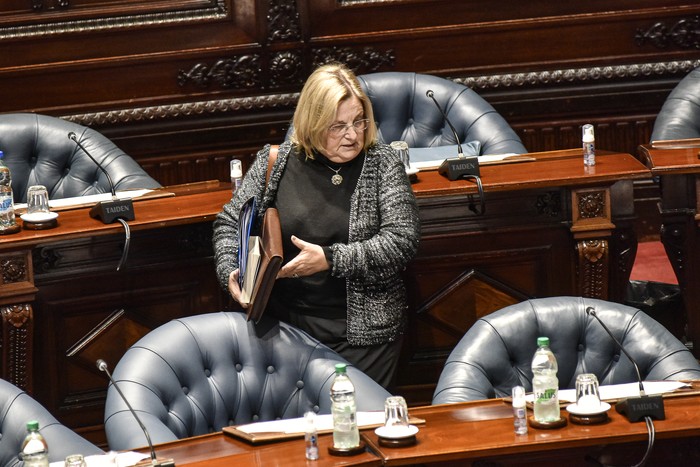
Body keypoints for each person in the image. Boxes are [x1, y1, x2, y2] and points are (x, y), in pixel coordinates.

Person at [213, 63, 420, 388]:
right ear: (312, 122)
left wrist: (329, 259)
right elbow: (229, 221)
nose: (352, 135)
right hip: (280, 329)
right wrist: (231, 272)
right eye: (338, 126)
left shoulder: (382, 164)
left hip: (364, 337)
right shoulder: (276, 162)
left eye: (359, 121)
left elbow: (401, 241)